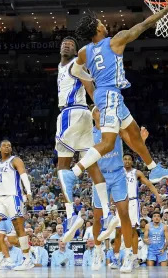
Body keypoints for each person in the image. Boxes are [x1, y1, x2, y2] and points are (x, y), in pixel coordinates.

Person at [61, 0, 168, 190]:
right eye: (101, 23)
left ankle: (154, 169)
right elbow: (145, 24)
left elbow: (74, 71)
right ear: (97, 29)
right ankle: (73, 173)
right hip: (110, 96)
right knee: (108, 143)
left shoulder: (84, 51)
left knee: (134, 133)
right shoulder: (115, 41)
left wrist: (93, 79)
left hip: (111, 96)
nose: (104, 24)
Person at [55, 37, 111, 242]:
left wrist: (101, 107)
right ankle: (107, 212)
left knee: (62, 168)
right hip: (83, 117)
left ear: (76, 51)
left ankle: (71, 216)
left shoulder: (75, 65)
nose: (66, 45)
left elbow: (89, 86)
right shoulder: (61, 67)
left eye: (71, 44)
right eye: (64, 43)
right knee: (92, 165)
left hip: (71, 114)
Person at [90, 105, 135, 272]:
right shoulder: (89, 134)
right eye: (97, 110)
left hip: (117, 175)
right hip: (100, 175)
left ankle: (128, 254)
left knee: (123, 214)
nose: (101, 112)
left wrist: (141, 141)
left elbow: (131, 141)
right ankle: (97, 249)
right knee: (97, 217)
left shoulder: (115, 128)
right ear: (93, 114)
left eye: (103, 109)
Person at [112, 129, 163, 269]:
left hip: (133, 203)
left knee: (133, 231)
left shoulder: (137, 172)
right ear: (122, 161)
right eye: (125, 159)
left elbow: (149, 184)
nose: (127, 161)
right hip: (120, 202)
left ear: (132, 162)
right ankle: (116, 259)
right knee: (118, 232)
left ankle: (134, 258)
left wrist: (157, 195)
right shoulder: (118, 171)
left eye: (129, 159)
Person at [0, 140, 33, 271]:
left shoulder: (16, 160)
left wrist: (28, 192)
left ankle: (27, 259)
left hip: (14, 196)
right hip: (1, 198)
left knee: (19, 228)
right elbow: (1, 183)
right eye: (4, 145)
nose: (7, 147)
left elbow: (24, 176)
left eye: (9, 145)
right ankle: (0, 258)